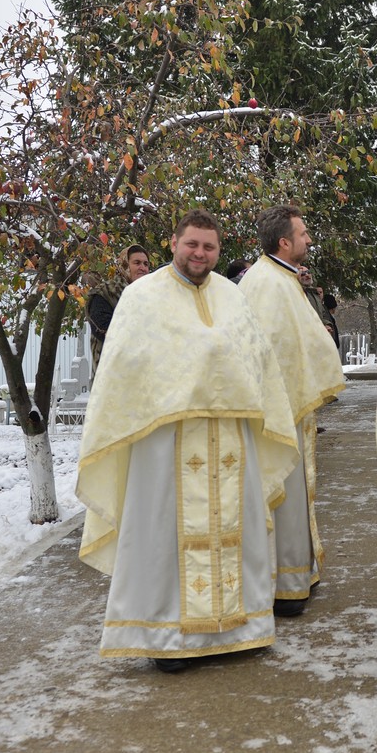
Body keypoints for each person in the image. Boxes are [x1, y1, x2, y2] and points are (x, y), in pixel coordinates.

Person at [76, 210, 298, 671]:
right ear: (173, 244)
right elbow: (122, 374)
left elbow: (258, 363)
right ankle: (170, 637)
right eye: (192, 244)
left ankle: (244, 626)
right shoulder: (142, 297)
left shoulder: (233, 297)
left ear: (219, 250)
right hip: (166, 441)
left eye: (209, 247)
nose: (200, 254)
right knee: (164, 535)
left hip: (231, 437)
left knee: (240, 530)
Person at [238, 206, 346, 617]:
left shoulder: (282, 279)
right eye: (303, 233)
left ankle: (298, 575)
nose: (309, 239)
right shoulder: (267, 284)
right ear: (285, 242)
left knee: (296, 495)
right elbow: (270, 356)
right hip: (276, 415)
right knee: (282, 495)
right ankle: (285, 584)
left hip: (291, 408)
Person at [87, 244, 152, 374]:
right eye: (137, 263)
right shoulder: (104, 293)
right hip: (112, 377)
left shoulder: (152, 296)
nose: (143, 268)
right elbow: (109, 333)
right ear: (124, 265)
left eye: (146, 264)